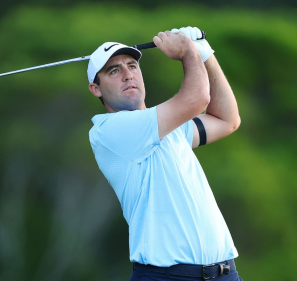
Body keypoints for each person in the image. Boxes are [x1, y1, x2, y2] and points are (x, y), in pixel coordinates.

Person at [87, 27, 243, 281]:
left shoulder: (171, 128)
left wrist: (205, 54)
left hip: (224, 273)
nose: (128, 75)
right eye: (114, 71)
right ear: (96, 89)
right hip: (166, 277)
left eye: (132, 66)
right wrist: (188, 52)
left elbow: (227, 119)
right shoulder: (109, 130)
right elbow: (198, 99)